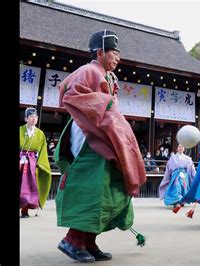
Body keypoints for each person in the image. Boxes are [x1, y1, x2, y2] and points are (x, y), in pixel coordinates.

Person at [54, 30, 147, 262]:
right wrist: (108, 105)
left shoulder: (107, 76)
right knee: (93, 190)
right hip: (90, 137)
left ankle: (88, 241)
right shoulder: (88, 71)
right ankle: (72, 240)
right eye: (114, 52)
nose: (118, 57)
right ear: (100, 52)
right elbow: (71, 95)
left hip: (102, 137)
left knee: (110, 189)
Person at [19, 107, 52, 218]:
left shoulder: (40, 134)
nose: (34, 119)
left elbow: (43, 150)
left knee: (29, 187)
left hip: (32, 163)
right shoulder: (20, 130)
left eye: (35, 117)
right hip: (20, 160)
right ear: (25, 118)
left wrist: (41, 164)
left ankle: (25, 210)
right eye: (31, 117)